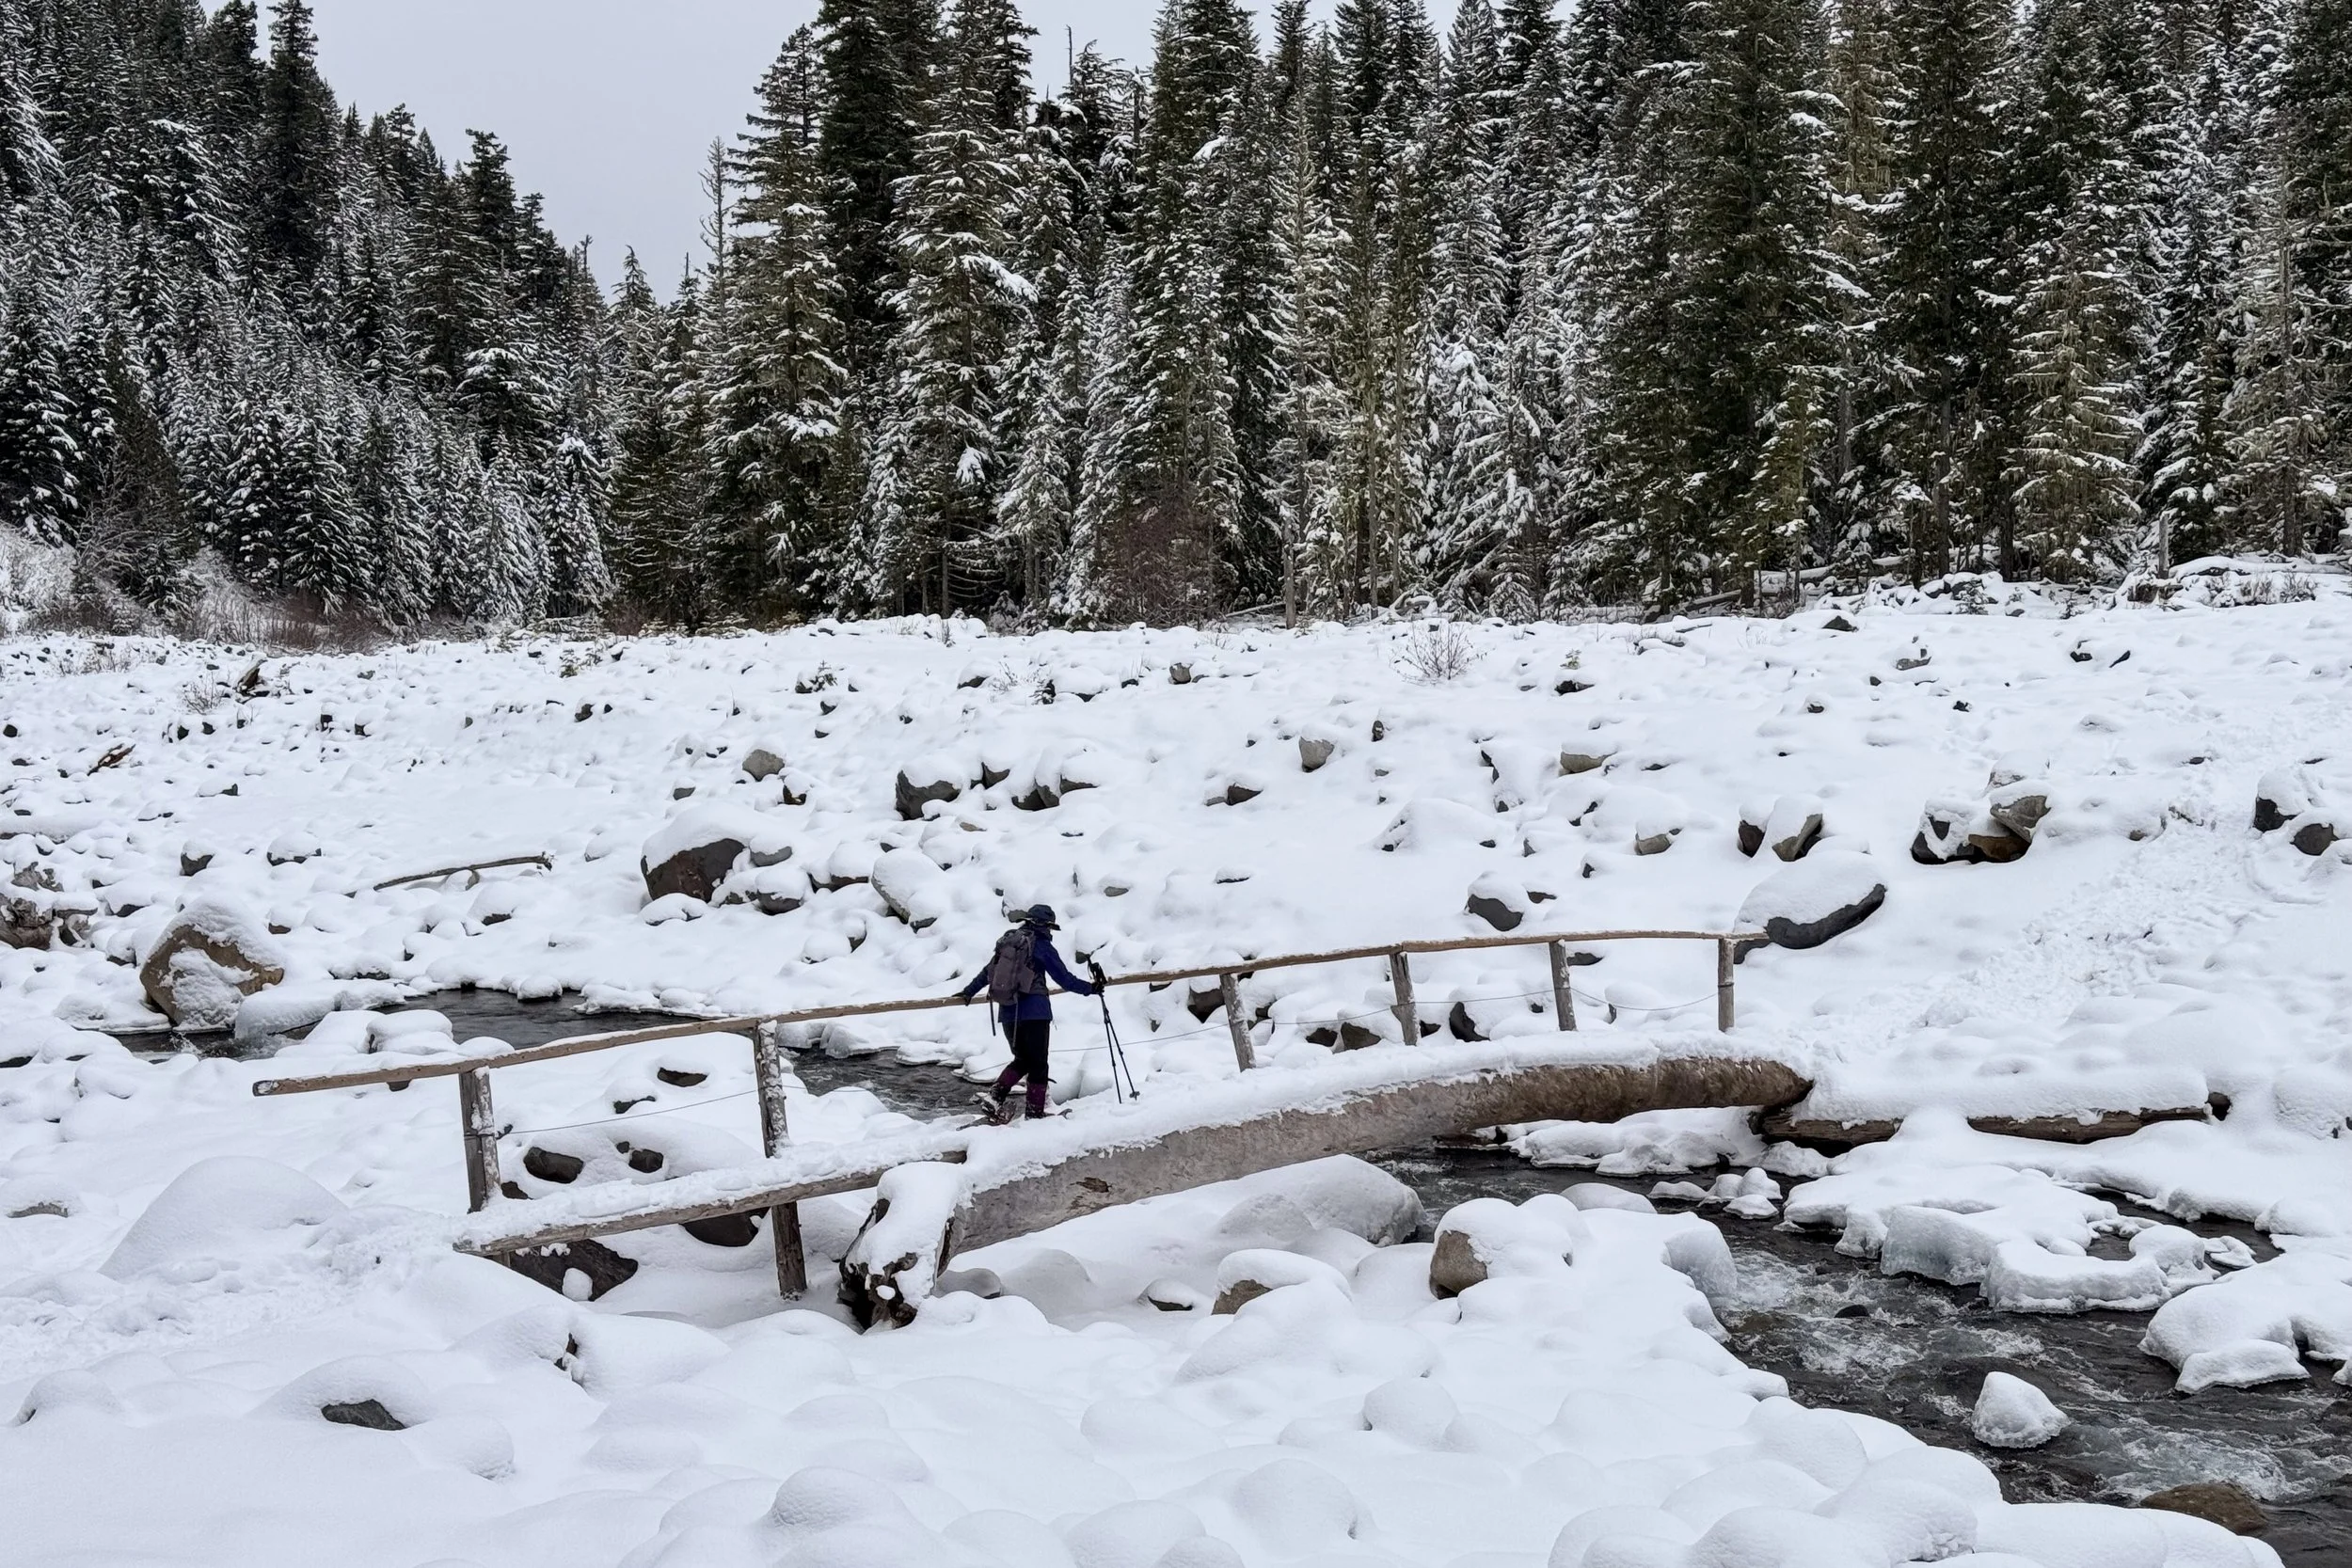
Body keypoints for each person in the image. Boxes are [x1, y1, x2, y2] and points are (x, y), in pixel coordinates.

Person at [959, 904, 1099, 1123]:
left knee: (1022, 1060)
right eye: (1050, 927)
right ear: (1045, 926)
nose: (1051, 932)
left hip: (1007, 1011)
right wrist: (1091, 988)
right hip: (1035, 1012)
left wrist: (968, 992)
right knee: (1039, 1064)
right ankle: (1034, 1114)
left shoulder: (1010, 944)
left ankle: (994, 1098)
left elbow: (989, 972)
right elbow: (1065, 979)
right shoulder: (1041, 946)